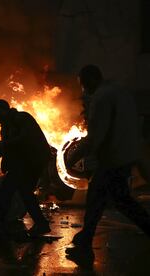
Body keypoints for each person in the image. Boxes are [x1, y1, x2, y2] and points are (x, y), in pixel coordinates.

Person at [65, 65, 150, 267]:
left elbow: (96, 136)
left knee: (95, 201)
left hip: (112, 159)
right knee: (121, 200)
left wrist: (73, 156)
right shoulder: (121, 92)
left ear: (90, 80)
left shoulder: (101, 98)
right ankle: (85, 240)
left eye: (83, 85)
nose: (83, 90)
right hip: (125, 156)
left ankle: (84, 249)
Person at [0, 99, 51, 237]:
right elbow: (4, 148)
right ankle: (40, 224)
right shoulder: (6, 127)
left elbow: (24, 139)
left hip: (33, 161)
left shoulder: (22, 119)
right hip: (23, 163)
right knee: (21, 192)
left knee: (9, 191)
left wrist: (5, 143)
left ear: (4, 110)